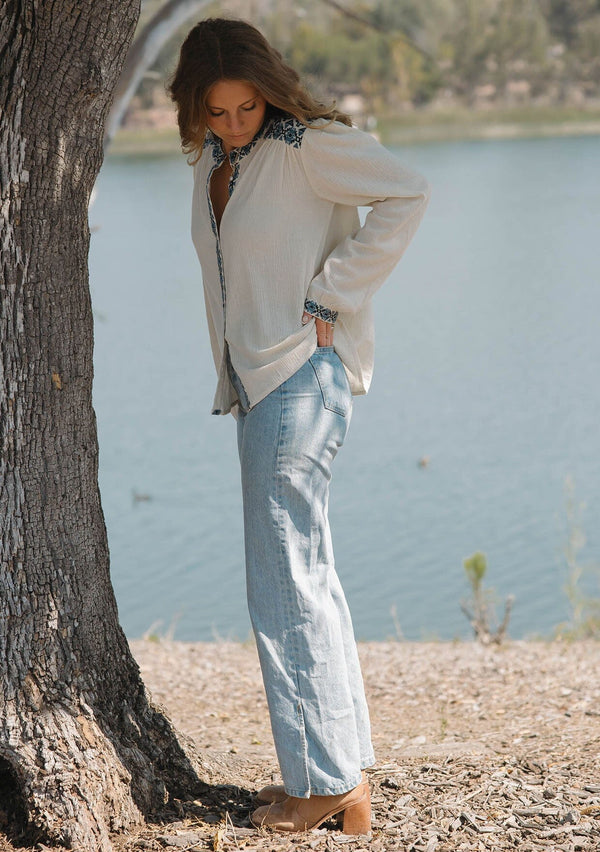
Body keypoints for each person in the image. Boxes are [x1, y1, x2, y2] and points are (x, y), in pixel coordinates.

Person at [169, 17, 429, 834]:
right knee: (303, 573)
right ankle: (344, 776)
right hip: (258, 385)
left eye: (247, 107)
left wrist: (333, 293)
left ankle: (322, 782)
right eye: (218, 111)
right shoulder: (214, 160)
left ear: (267, 90)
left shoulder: (309, 145)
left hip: (299, 378)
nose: (235, 123)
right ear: (196, 110)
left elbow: (407, 192)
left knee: (284, 580)